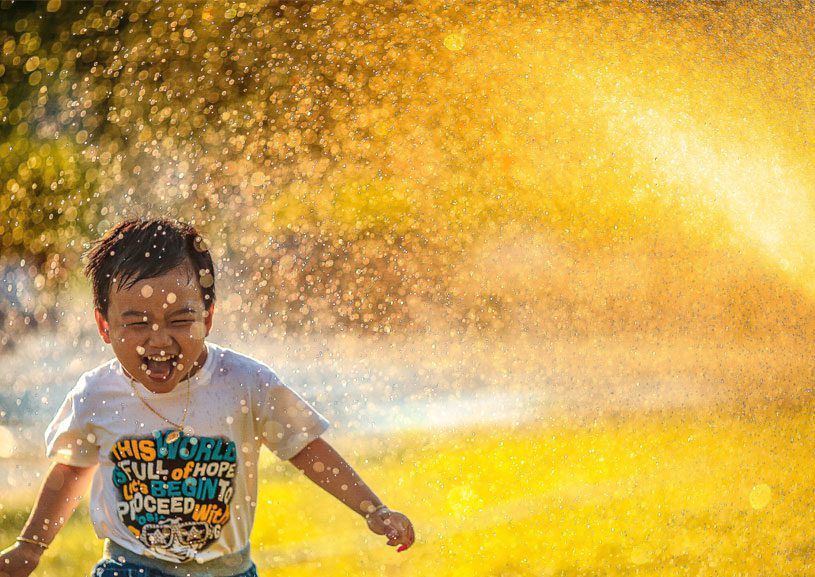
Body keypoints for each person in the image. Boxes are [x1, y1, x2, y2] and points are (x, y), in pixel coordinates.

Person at [0, 218, 414, 577]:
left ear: (208, 317)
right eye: (137, 323)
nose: (159, 340)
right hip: (129, 566)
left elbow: (304, 446)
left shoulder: (245, 383)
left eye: (180, 320)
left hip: (226, 570)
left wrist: (373, 509)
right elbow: (72, 470)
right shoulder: (97, 393)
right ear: (105, 327)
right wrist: (30, 547)